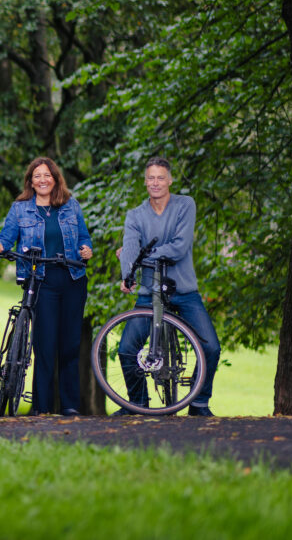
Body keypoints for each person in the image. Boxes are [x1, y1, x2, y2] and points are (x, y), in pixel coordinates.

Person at [0, 157, 93, 416]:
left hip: (72, 279)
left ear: (56, 179)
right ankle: (41, 407)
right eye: (37, 176)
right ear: (31, 181)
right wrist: (0, 245)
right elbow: (7, 236)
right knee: (45, 346)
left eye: (47, 175)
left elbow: (83, 236)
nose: (43, 179)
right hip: (41, 280)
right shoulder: (20, 208)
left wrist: (86, 248)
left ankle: (70, 406)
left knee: (70, 346)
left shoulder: (71, 205)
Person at [117, 157, 220, 417]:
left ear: (170, 180)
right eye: (150, 178)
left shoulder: (185, 205)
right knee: (127, 349)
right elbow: (128, 246)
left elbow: (178, 247)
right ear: (145, 181)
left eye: (160, 177)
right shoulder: (136, 215)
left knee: (211, 348)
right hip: (149, 291)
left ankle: (199, 403)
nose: (155, 182)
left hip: (183, 290)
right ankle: (138, 404)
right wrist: (127, 273)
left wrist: (140, 257)